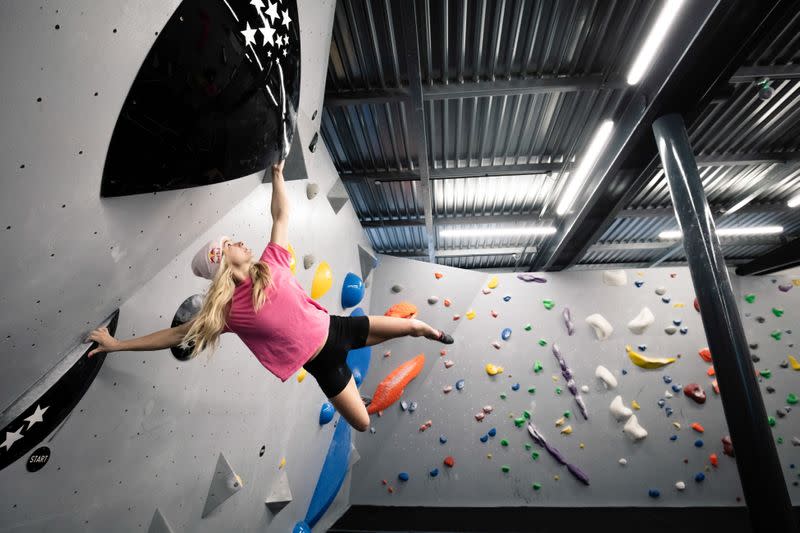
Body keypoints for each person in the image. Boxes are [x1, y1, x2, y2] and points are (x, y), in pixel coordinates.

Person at [85, 159, 454, 433]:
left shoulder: (271, 262)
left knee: (414, 328)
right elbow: (176, 335)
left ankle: (437, 335)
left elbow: (280, 217)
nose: (240, 242)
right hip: (323, 365)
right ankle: (369, 400)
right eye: (230, 243)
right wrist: (117, 345)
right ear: (221, 261)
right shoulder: (229, 313)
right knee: (360, 423)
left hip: (340, 328)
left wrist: (278, 176)